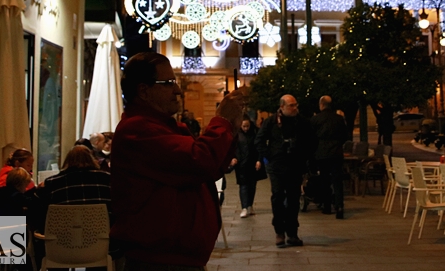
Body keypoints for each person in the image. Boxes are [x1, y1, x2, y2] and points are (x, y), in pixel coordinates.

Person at [110, 52, 246, 271]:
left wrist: (232, 127)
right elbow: (199, 160)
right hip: (159, 261)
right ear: (144, 91)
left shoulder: (165, 127)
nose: (177, 90)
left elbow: (209, 169)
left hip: (177, 258)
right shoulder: (137, 130)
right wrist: (221, 121)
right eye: (168, 83)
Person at [256, 94, 314, 247]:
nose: (295, 108)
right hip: (277, 166)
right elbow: (259, 140)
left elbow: (311, 140)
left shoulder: (301, 122)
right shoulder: (271, 122)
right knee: (278, 197)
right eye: (291, 106)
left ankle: (292, 233)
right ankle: (279, 232)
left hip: (295, 165)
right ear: (282, 107)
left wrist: (304, 156)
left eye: (296, 105)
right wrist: (270, 156)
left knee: (294, 199)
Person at [310, 95, 348, 219]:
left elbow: (312, 137)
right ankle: (339, 206)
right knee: (337, 181)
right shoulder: (339, 119)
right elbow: (344, 136)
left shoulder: (315, 120)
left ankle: (327, 206)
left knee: (324, 180)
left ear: (321, 105)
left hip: (322, 154)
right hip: (336, 153)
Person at [230, 116, 265, 218]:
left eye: (247, 126)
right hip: (241, 164)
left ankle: (249, 205)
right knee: (244, 185)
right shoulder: (236, 135)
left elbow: (259, 147)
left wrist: (259, 160)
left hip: (252, 163)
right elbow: (232, 148)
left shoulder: (255, 133)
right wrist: (233, 158)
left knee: (252, 185)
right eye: (244, 126)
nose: (246, 128)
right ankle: (244, 207)